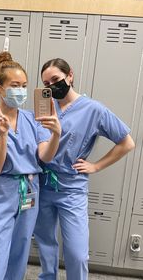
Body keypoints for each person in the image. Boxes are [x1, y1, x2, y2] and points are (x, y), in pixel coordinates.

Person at [33, 58, 135, 280]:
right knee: (45, 244)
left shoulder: (94, 109)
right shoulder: (45, 108)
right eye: (46, 83)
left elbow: (127, 143)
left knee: (77, 254)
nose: (51, 86)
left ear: (70, 76)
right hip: (44, 185)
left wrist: (96, 166)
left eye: (56, 80)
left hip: (72, 189)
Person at [0, 51, 61, 280]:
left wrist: (56, 136)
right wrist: (2, 135)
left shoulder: (33, 119)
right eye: (15, 85)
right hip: (0, 192)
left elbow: (45, 156)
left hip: (30, 191)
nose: (21, 91)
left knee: (19, 250)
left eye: (24, 85)